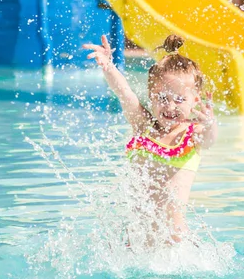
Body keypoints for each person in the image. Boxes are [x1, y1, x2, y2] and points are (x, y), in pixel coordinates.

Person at [83, 34, 217, 245]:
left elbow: (209, 139)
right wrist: (108, 66)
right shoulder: (142, 126)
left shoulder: (191, 134)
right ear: (150, 95)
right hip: (135, 238)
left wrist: (210, 124)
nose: (170, 106)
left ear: (195, 100)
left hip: (172, 239)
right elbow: (125, 93)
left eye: (180, 99)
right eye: (162, 98)